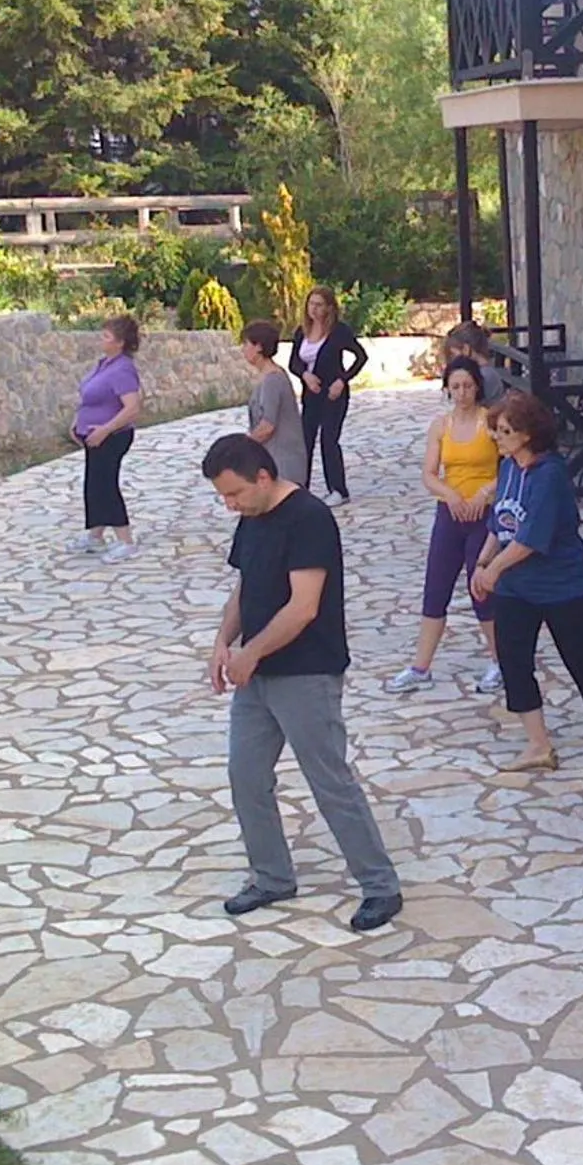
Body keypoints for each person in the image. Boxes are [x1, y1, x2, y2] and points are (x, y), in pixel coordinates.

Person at [203, 433, 403, 933]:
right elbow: (244, 586)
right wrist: (222, 643)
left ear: (264, 477)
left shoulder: (309, 518)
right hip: (258, 675)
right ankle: (272, 876)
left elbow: (303, 606)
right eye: (223, 497)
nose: (230, 506)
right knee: (246, 775)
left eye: (235, 494)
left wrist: (251, 652)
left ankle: (380, 885)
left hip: (306, 673)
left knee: (329, 780)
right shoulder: (251, 520)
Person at [469, 391, 583, 782]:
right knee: (514, 663)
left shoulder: (550, 474)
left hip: (566, 588)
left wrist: (493, 571)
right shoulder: (509, 467)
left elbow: (531, 538)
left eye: (505, 431)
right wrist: (483, 562)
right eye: (496, 430)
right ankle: (539, 745)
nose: (497, 437)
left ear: (528, 435)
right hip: (518, 590)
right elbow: (501, 524)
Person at [385, 356, 503, 697]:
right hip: (450, 515)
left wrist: (485, 492)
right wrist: (449, 495)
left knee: (480, 588)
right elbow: (428, 473)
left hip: (483, 513)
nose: (462, 392)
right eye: (455, 387)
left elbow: (508, 463)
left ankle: (500, 661)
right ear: (447, 389)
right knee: (436, 588)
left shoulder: (490, 421)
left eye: (467, 386)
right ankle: (420, 666)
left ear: (477, 386)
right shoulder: (441, 425)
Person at [69, 315, 144, 563]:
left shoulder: (123, 369)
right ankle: (96, 536)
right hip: (93, 436)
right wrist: (77, 422)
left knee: (106, 485)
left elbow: (132, 408)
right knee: (94, 484)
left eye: (106, 336)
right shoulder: (104, 364)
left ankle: (125, 540)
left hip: (113, 437)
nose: (101, 340)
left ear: (120, 342)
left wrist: (105, 430)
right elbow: (91, 398)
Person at [292, 286, 366, 507]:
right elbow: (294, 362)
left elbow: (360, 357)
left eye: (319, 305)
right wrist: (305, 375)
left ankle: (338, 489)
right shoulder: (301, 331)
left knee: (329, 439)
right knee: (305, 439)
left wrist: (342, 380)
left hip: (334, 395)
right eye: (311, 304)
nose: (314, 309)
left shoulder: (339, 331)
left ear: (329, 307)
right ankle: (300, 487)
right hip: (311, 394)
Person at [241, 319, 308, 490]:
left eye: (246, 343)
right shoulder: (266, 376)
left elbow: (268, 426)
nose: (243, 349)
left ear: (259, 347)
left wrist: (244, 444)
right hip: (272, 460)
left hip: (283, 463)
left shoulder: (273, 379)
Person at [444, 320, 506, 404]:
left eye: (453, 355)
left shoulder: (484, 376)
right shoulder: (486, 372)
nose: (452, 361)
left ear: (466, 349)